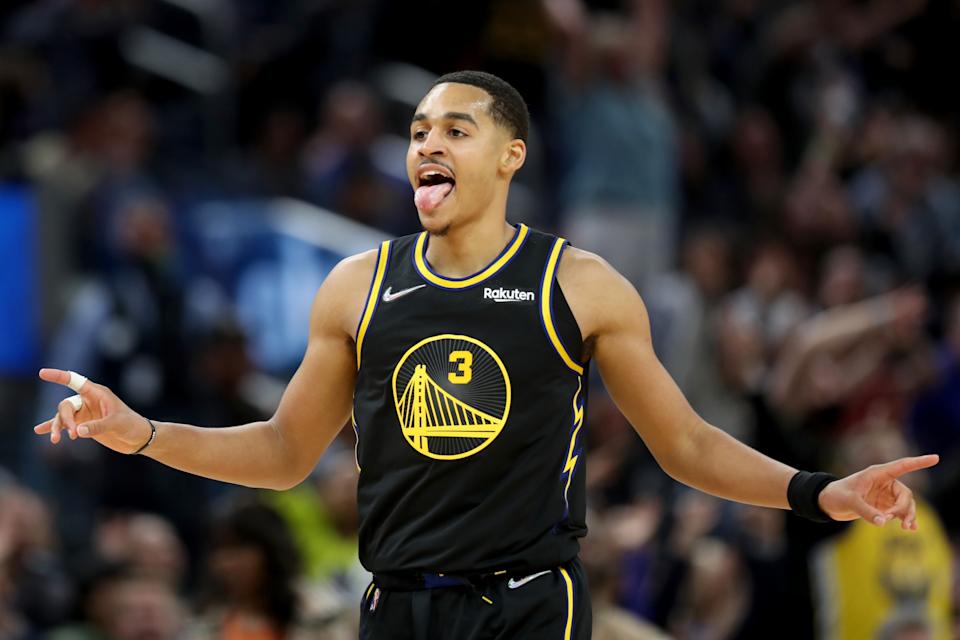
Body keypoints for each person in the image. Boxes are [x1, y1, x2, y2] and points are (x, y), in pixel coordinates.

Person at [35, 71, 938, 640]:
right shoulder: (357, 284)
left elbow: (687, 446)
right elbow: (282, 452)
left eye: (455, 130)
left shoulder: (578, 283)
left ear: (510, 156)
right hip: (395, 605)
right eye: (419, 130)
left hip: (530, 605)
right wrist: (145, 432)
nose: (427, 142)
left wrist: (820, 491)